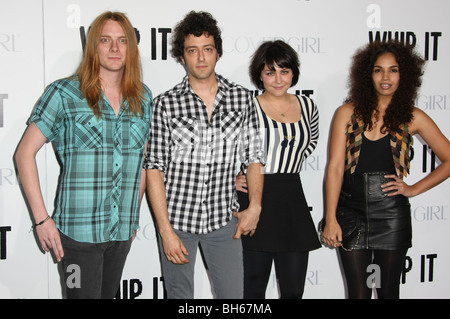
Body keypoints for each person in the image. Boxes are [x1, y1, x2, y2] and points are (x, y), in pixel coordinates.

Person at [14, 11, 152, 299]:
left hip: (121, 233)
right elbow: (24, 153)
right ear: (94, 46)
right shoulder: (64, 93)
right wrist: (42, 220)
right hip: (77, 236)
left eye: (122, 41)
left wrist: (133, 214)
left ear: (131, 48)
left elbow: (142, 164)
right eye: (106, 40)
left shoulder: (143, 98)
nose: (115, 48)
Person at [144, 11, 264, 299]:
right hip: (178, 222)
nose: (200, 58)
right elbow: (154, 169)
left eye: (207, 49)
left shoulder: (243, 99)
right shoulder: (165, 104)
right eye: (192, 50)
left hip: (224, 222)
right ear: (181, 56)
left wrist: (256, 206)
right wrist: (165, 231)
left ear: (218, 53)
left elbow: (254, 158)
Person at [322, 40, 450, 299]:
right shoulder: (346, 113)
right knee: (358, 294)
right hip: (351, 213)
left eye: (393, 70)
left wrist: (413, 189)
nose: (385, 77)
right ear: (368, 74)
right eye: (378, 69)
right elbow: (335, 168)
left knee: (388, 292)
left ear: (405, 75)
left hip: (391, 216)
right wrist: (331, 217)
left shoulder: (413, 117)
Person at [236, 40, 322, 299]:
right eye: (270, 72)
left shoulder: (308, 106)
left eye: (284, 71)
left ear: (293, 73)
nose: (277, 79)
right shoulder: (245, 107)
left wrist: (283, 164)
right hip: (254, 201)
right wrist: (232, 177)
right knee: (252, 290)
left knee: (294, 291)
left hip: (291, 202)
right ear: (259, 75)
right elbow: (222, 149)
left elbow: (311, 141)